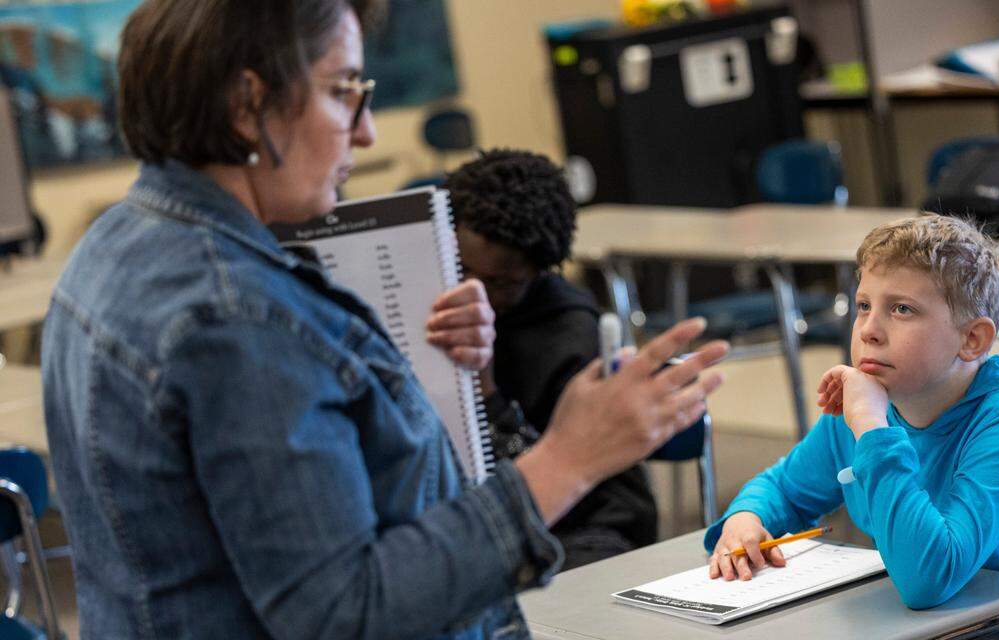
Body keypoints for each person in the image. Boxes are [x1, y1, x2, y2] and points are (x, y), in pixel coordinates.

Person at [39, 2, 728, 638]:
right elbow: (346, 612)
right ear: (249, 105)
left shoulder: (113, 245)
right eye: (342, 92)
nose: (365, 132)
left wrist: (422, 375)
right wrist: (567, 461)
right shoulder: (235, 319)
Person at [705, 215, 999, 639]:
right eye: (864, 306)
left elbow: (929, 580)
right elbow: (783, 487)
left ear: (972, 339)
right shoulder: (868, 405)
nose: (869, 331)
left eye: (902, 310)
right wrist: (745, 520)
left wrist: (874, 432)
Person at [445, 149, 658, 569]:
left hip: (587, 529)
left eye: (501, 282)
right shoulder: (439, 309)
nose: (475, 291)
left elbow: (571, 480)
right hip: (481, 519)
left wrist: (486, 391)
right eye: (460, 268)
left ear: (540, 271)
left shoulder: (568, 335)